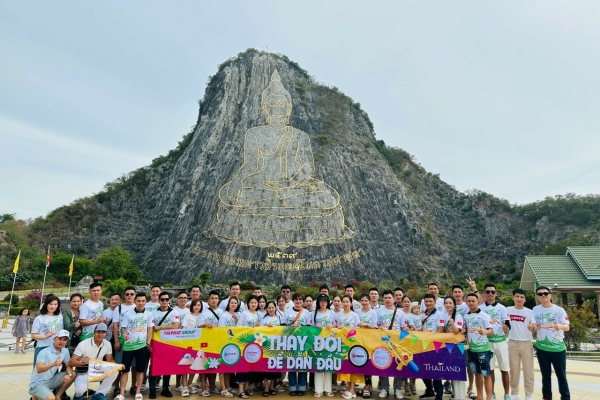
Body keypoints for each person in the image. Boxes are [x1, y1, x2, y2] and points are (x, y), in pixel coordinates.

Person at [203, 69, 354, 248]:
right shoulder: (254, 134)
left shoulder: (299, 136)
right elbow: (251, 164)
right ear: (265, 108)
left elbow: (307, 166)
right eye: (272, 104)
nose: (277, 109)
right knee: (244, 197)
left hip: (294, 185)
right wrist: (236, 182)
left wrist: (290, 183)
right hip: (262, 184)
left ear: (288, 108)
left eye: (282, 104)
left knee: (326, 197)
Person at [532, 286, 570, 400]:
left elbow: (567, 327)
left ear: (550, 295)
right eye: (540, 294)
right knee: (545, 376)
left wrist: (560, 326)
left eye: (545, 293)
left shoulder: (559, 310)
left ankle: (565, 397)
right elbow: (533, 325)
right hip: (542, 348)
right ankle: (547, 397)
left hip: (557, 349)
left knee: (561, 376)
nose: (543, 296)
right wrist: (532, 327)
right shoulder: (535, 309)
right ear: (537, 297)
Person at [115, 293, 154, 400]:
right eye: (139, 301)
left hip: (141, 346)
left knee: (140, 370)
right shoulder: (128, 314)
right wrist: (123, 334)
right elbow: (122, 327)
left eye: (143, 301)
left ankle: (138, 392)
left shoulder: (149, 314)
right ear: (135, 302)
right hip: (128, 347)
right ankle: (122, 393)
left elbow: (150, 329)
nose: (141, 303)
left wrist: (148, 342)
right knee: (124, 370)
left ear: (145, 302)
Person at [70, 323, 119, 400]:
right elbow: (72, 362)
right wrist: (81, 362)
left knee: (115, 371)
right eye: (98, 332)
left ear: (106, 334)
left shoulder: (107, 344)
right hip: (84, 372)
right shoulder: (83, 344)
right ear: (94, 332)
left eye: (103, 332)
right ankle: (78, 395)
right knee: (80, 391)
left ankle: (99, 394)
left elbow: (110, 361)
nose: (100, 334)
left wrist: (118, 366)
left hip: (97, 371)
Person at [479, 284, 510, 400]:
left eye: (493, 292)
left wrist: (506, 328)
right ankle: (491, 393)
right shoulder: (481, 308)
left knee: (504, 369)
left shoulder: (502, 308)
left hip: (500, 341)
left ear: (496, 294)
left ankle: (507, 394)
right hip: (487, 343)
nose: (490, 294)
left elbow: (507, 324)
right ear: (485, 293)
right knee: (490, 369)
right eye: (488, 292)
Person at [29, 329, 75, 400]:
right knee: (50, 398)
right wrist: (53, 364)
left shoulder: (65, 351)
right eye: (60, 339)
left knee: (73, 374)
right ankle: (36, 393)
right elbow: (39, 369)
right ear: (54, 339)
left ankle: (58, 396)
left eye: (65, 340)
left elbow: (68, 366)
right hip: (37, 383)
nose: (62, 342)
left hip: (50, 381)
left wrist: (69, 375)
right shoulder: (44, 352)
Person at [149, 291, 180, 399]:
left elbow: (175, 325)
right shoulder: (153, 312)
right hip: (156, 343)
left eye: (166, 299)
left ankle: (165, 388)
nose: (164, 301)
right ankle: (152, 388)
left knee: (168, 365)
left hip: (169, 343)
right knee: (153, 365)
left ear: (169, 301)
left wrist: (161, 327)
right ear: (158, 300)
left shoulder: (174, 312)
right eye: (162, 299)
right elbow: (151, 327)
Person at [506, 289, 535, 400]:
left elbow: (534, 326)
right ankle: (514, 393)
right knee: (514, 370)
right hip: (512, 342)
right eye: (517, 296)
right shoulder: (507, 310)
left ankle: (528, 395)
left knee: (528, 371)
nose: (519, 299)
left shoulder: (529, 312)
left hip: (526, 343)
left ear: (525, 299)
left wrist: (532, 327)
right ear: (513, 297)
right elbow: (503, 324)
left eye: (522, 297)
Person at [464, 293, 493, 400]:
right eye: (469, 301)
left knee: (486, 374)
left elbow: (491, 331)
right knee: (477, 374)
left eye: (473, 301)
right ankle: (479, 396)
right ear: (466, 302)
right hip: (471, 350)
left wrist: (484, 331)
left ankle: (488, 397)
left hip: (483, 350)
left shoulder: (484, 315)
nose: (471, 303)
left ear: (478, 302)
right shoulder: (466, 316)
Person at [377, 290, 404, 399]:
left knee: (398, 364)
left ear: (393, 299)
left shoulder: (400, 312)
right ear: (383, 299)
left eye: (389, 298)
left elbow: (403, 328)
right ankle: (384, 388)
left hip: (397, 343)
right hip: (383, 342)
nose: (387, 300)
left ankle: (397, 389)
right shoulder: (379, 311)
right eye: (385, 298)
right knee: (384, 364)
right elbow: (377, 325)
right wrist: (379, 328)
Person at [284, 292, 312, 396]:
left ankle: (301, 387)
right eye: (296, 299)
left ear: (303, 301)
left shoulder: (306, 313)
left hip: (303, 342)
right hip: (291, 342)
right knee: (291, 365)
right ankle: (292, 387)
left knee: (302, 365)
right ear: (293, 300)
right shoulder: (288, 312)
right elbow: (283, 326)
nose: (298, 301)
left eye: (300, 299)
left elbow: (309, 327)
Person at [113, 287, 138, 396]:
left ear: (135, 295)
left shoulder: (139, 307)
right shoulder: (118, 308)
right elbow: (115, 325)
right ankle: (117, 387)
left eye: (131, 294)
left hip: (135, 341)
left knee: (134, 366)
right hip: (122, 340)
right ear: (124, 296)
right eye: (127, 294)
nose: (129, 296)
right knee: (119, 365)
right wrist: (116, 341)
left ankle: (133, 385)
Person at [419, 294, 445, 400]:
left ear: (435, 302)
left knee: (435, 370)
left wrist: (430, 334)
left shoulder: (439, 314)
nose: (428, 303)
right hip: (423, 346)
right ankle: (429, 390)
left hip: (435, 346)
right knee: (423, 369)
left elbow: (441, 330)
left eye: (430, 301)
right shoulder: (421, 315)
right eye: (426, 301)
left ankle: (439, 395)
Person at [199, 290, 223, 395]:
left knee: (214, 364)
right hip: (205, 342)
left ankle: (212, 386)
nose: (214, 300)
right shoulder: (204, 313)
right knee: (204, 365)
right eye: (212, 298)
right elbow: (199, 326)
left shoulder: (222, 313)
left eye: (216, 298)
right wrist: (205, 324)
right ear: (208, 300)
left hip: (217, 342)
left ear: (218, 300)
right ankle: (204, 387)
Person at [237, 295, 261, 399]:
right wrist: (248, 328)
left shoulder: (258, 314)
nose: (253, 304)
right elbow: (238, 327)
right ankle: (240, 390)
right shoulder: (244, 314)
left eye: (255, 303)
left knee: (250, 367)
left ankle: (247, 388)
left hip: (254, 345)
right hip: (244, 344)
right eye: (252, 302)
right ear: (248, 304)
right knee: (242, 367)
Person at [339, 295, 362, 400]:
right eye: (343, 302)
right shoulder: (339, 315)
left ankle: (352, 389)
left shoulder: (354, 315)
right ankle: (349, 389)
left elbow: (358, 330)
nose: (345, 304)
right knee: (346, 367)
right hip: (343, 345)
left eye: (347, 302)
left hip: (352, 344)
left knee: (352, 367)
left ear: (351, 303)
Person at [442, 297, 465, 400]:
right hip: (447, 346)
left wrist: (452, 323)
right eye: (446, 303)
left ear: (454, 305)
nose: (448, 305)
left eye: (450, 303)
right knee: (451, 370)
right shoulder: (444, 315)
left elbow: (456, 331)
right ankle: (455, 395)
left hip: (457, 346)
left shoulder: (458, 316)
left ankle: (460, 396)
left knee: (458, 370)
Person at [355, 294, 377, 399]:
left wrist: (366, 325)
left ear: (369, 301)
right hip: (359, 340)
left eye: (366, 300)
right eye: (362, 300)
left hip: (369, 340)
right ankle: (365, 384)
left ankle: (369, 386)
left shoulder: (373, 313)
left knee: (368, 362)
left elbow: (375, 327)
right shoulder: (357, 312)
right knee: (361, 362)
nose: (364, 302)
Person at [218, 297, 241, 398]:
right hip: (225, 343)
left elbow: (241, 329)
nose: (233, 304)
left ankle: (228, 386)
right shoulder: (224, 315)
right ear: (228, 304)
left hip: (235, 344)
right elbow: (221, 330)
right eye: (232, 303)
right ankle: (223, 389)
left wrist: (237, 320)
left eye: (235, 303)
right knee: (223, 366)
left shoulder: (239, 315)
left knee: (230, 366)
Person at [31, 294, 63, 365]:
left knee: (53, 371)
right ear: (46, 304)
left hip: (55, 348)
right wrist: (45, 336)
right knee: (40, 372)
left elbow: (62, 331)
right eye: (50, 304)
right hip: (42, 347)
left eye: (55, 304)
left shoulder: (60, 317)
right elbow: (33, 335)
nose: (53, 306)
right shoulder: (39, 318)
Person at [181, 299, 204, 397]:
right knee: (186, 364)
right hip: (188, 344)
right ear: (191, 306)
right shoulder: (187, 316)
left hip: (198, 344)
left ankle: (190, 383)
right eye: (195, 305)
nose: (197, 307)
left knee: (195, 364)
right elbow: (183, 330)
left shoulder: (203, 316)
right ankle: (184, 385)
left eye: (199, 305)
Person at [261, 301, 282, 397]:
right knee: (265, 368)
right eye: (269, 308)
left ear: (275, 308)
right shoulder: (263, 319)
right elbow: (260, 331)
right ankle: (266, 387)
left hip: (277, 346)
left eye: (272, 307)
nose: (271, 309)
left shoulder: (279, 318)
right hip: (266, 346)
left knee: (274, 367)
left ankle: (272, 386)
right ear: (266, 309)